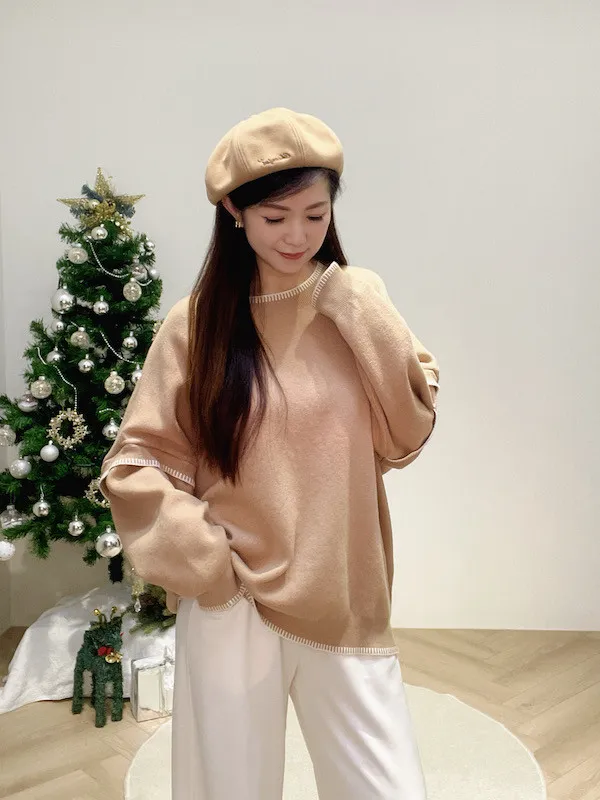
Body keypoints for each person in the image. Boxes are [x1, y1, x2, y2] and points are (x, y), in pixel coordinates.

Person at [99, 107, 439, 800]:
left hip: (343, 595)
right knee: (231, 789)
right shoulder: (196, 324)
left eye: (315, 215)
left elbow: (407, 431)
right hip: (234, 602)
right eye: (275, 217)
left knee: (388, 787)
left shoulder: (354, 302)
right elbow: (137, 461)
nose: (297, 235)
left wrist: (357, 304)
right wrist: (208, 567)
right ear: (234, 211)